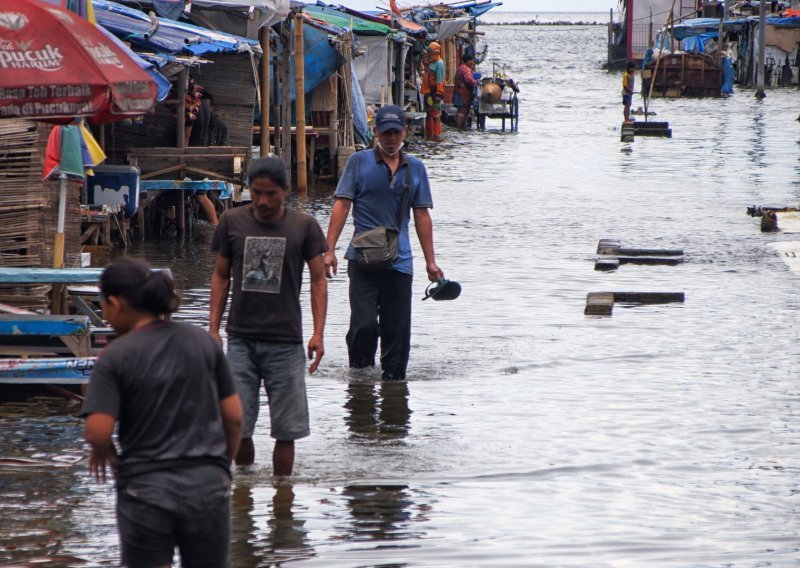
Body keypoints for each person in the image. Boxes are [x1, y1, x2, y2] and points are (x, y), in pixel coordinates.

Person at [82, 258, 243, 568]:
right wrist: (221, 467)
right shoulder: (201, 341)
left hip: (146, 490)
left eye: (102, 304)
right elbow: (234, 417)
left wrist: (105, 451)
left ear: (115, 304)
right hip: (207, 486)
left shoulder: (115, 356)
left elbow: (97, 432)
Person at [210, 156, 328, 475]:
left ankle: (282, 499)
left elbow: (319, 279)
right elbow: (221, 276)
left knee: (286, 430)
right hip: (240, 340)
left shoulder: (304, 226)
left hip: (286, 341)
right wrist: (214, 328)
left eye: (270, 194)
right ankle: (245, 487)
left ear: (285, 191)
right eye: (256, 192)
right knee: (237, 422)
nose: (262, 201)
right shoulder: (232, 222)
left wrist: (318, 333)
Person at [324, 105, 445, 381]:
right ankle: (359, 378)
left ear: (405, 132)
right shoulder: (358, 162)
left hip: (399, 262)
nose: (391, 138)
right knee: (364, 325)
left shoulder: (415, 168)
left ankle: (394, 391)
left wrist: (430, 261)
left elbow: (422, 215)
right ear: (375, 131)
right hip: (362, 259)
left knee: (396, 333)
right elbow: (342, 205)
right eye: (385, 132)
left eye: (396, 132)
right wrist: (329, 249)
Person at [186, 88, 220, 226]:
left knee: (200, 195)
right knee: (200, 195)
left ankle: (214, 224)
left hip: (194, 156)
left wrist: (183, 152)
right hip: (202, 154)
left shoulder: (193, 111)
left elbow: (186, 136)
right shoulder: (207, 111)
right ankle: (214, 224)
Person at [421, 42, 445, 141]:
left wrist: (439, 93)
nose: (429, 53)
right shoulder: (431, 62)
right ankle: (429, 134)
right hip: (428, 92)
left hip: (435, 92)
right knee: (429, 112)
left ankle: (436, 134)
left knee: (435, 113)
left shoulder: (439, 63)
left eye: (430, 52)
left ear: (435, 53)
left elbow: (440, 79)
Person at [454, 52, 480, 129]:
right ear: (467, 61)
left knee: (463, 110)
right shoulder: (466, 69)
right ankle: (460, 128)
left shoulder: (461, 67)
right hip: (462, 93)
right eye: (472, 61)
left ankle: (462, 128)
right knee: (462, 111)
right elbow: (469, 79)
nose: (473, 63)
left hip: (460, 92)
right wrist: (476, 83)